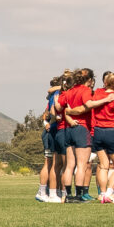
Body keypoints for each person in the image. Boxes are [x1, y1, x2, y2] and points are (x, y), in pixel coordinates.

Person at [85, 71, 114, 202]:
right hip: (112, 131)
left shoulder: (98, 93)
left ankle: (102, 193)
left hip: (98, 132)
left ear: (105, 82)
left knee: (103, 165)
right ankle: (109, 192)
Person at [58, 68, 94, 202]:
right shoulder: (85, 90)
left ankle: (67, 195)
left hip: (68, 130)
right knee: (82, 165)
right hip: (82, 128)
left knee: (69, 165)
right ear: (89, 80)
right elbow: (88, 105)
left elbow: (59, 106)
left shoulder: (69, 91)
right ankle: (78, 195)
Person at [37, 74, 65, 202]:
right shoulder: (56, 94)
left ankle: (52, 191)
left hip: (53, 131)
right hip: (51, 132)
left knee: (56, 164)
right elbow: (47, 113)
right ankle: (42, 192)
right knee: (50, 163)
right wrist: (47, 123)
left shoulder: (55, 94)